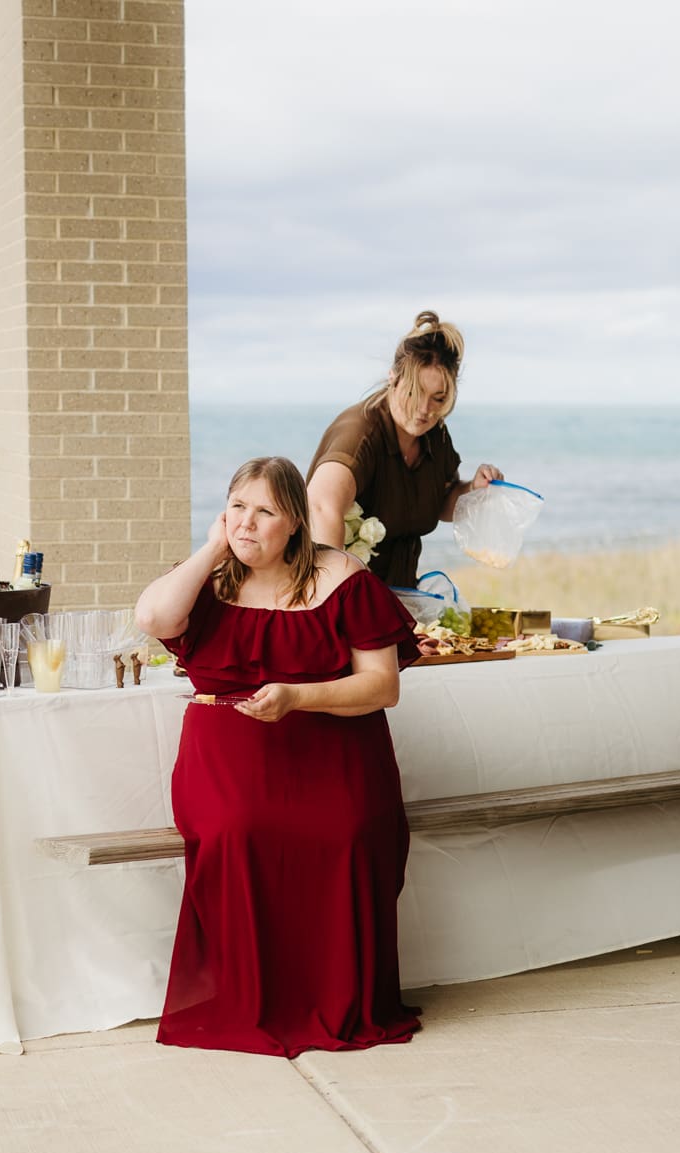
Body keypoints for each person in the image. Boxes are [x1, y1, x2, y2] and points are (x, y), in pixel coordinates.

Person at [135, 456, 424, 1056]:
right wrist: (214, 547)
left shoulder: (343, 579)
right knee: (235, 830)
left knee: (349, 830)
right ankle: (251, 997)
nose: (248, 523)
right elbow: (154, 618)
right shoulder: (211, 580)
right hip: (227, 762)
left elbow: (383, 686)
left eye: (265, 511)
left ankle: (334, 997)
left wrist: (298, 697)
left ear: (294, 521)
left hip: (334, 756)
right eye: (237, 507)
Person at [305, 311, 505, 589]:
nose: (425, 410)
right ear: (393, 378)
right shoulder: (359, 432)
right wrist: (334, 598)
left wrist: (473, 489)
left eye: (438, 398)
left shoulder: (435, 434)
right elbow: (320, 506)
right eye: (414, 392)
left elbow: (440, 502)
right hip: (347, 598)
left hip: (400, 595)